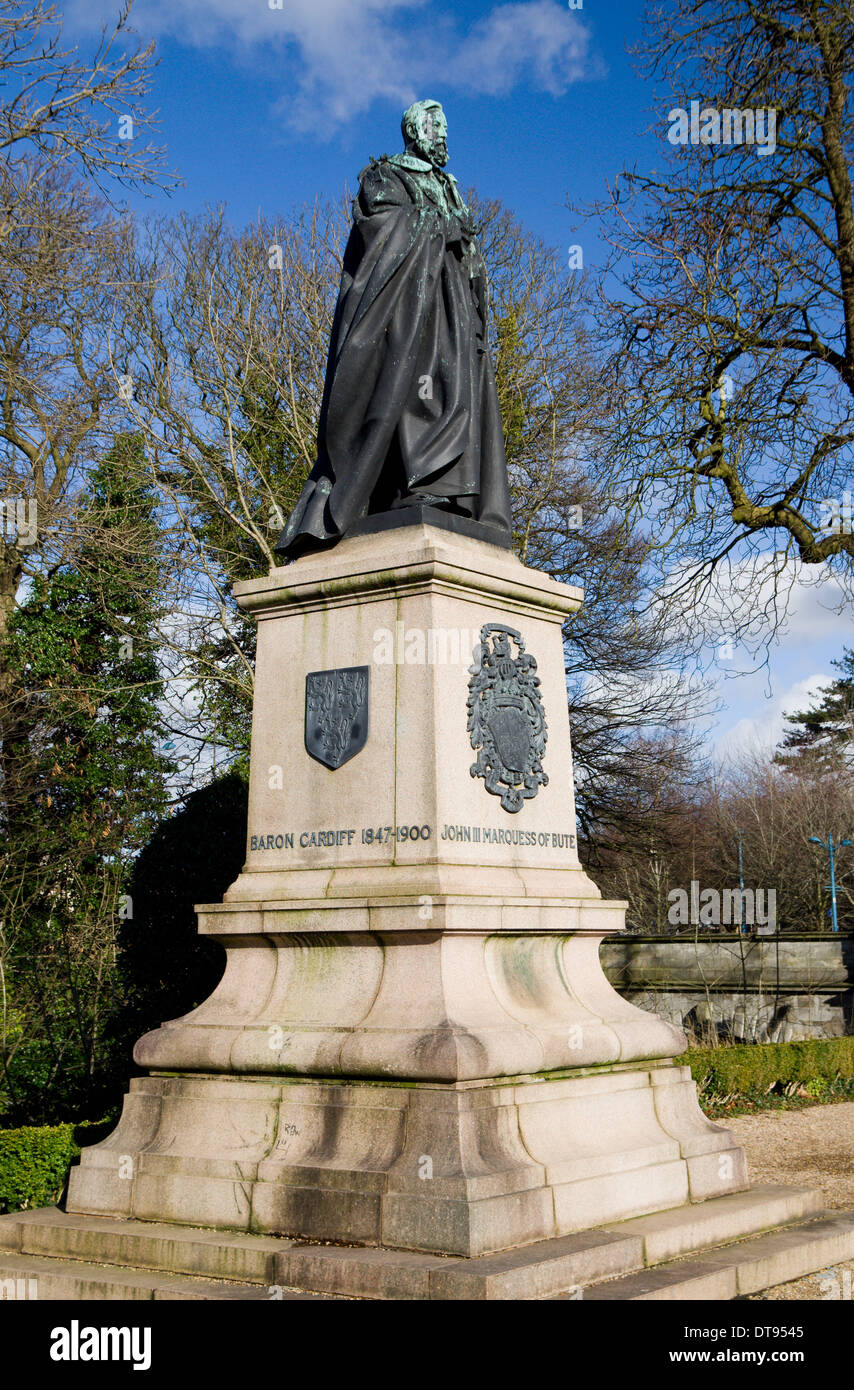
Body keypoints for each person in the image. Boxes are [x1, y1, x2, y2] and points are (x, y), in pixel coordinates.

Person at [277, 99, 512, 560]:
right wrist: (440, 230)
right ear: (413, 132)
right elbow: (381, 233)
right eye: (436, 127)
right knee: (413, 394)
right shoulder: (386, 176)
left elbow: (468, 254)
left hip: (454, 313)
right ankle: (413, 486)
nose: (444, 135)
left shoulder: (450, 186)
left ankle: (451, 494)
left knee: (459, 396)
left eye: (447, 128)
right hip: (408, 310)